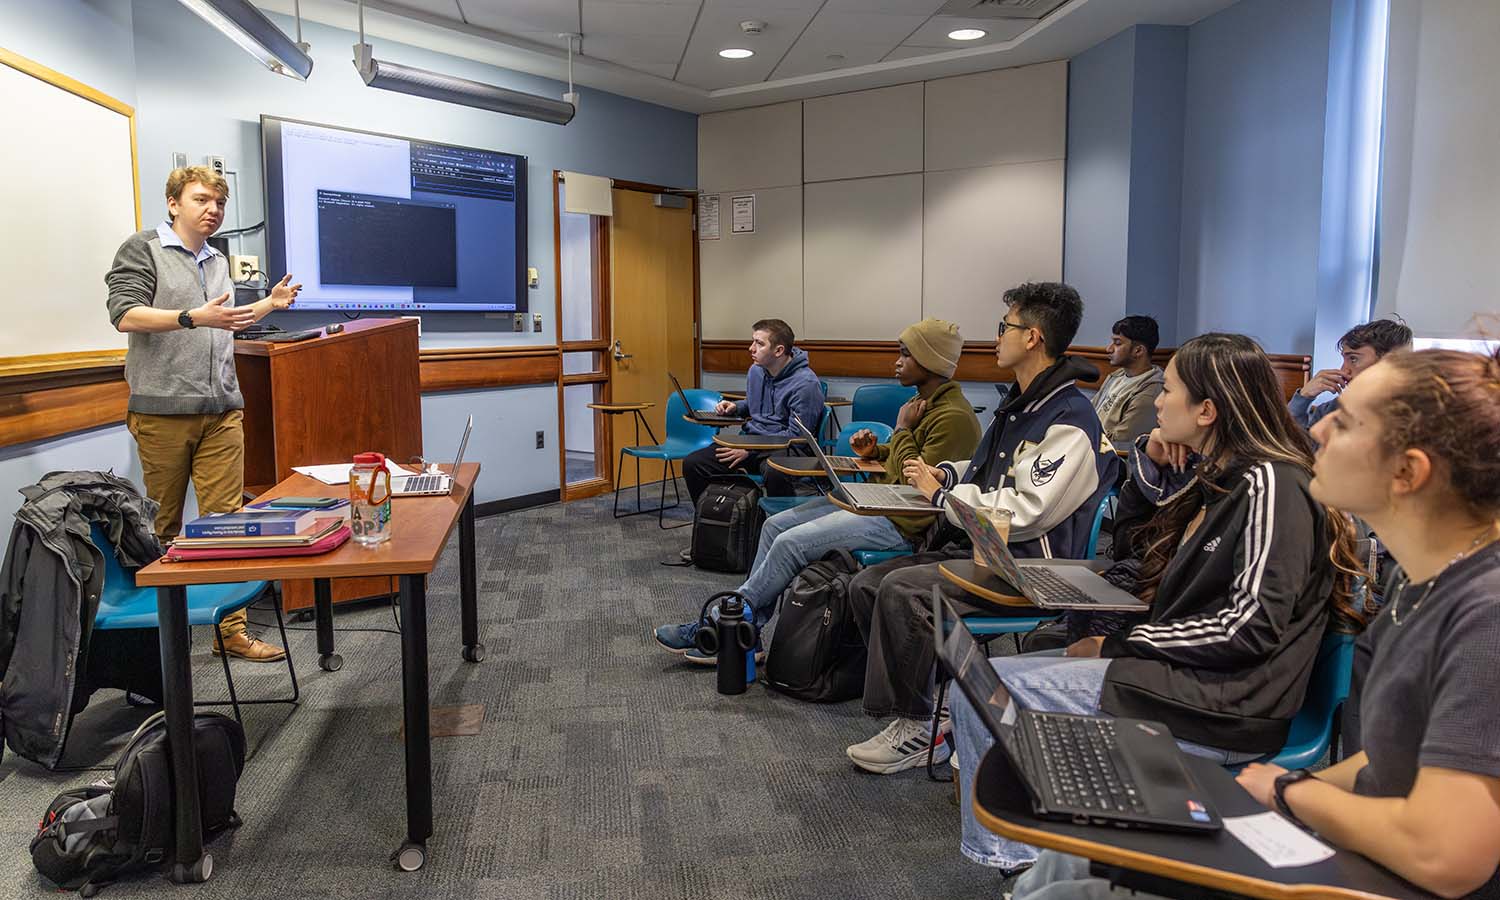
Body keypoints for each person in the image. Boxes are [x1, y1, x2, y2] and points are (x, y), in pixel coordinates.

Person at [947, 332, 1366, 874]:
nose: (1158, 403)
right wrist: (1152, 458)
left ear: (1208, 410)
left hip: (1223, 704)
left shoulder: (1272, 483)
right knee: (979, 680)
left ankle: (1017, 861)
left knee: (989, 691)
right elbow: (1140, 551)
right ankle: (1034, 859)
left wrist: (1119, 645)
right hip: (1185, 677)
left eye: (1167, 392)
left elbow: (1249, 626)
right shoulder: (1221, 476)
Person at [1231, 347, 1500, 900]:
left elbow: (1445, 854)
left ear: (1407, 471)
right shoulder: (1418, 581)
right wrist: (1271, 793)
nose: (1321, 427)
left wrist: (1290, 794)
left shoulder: (1485, 616)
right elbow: (1389, 759)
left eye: (1346, 421)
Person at [845, 282, 1121, 775]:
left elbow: (1024, 511)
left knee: (902, 590)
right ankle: (937, 702)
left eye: (1005, 327)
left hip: (1028, 570)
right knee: (866, 585)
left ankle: (923, 725)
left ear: (1033, 337)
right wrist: (946, 476)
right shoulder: (1024, 403)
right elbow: (988, 469)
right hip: (986, 553)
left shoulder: (1069, 419)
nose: (996, 338)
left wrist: (942, 495)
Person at [653, 319, 981, 662]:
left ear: (930, 362)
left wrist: (899, 432)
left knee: (790, 543)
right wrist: (876, 452)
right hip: (881, 503)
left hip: (905, 524)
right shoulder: (923, 404)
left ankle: (724, 624)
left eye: (905, 355)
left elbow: (921, 482)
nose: (896, 362)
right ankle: (747, 636)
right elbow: (907, 462)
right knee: (774, 525)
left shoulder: (952, 417)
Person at [106, 166, 301, 662]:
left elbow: (225, 321)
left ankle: (230, 632)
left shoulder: (218, 260)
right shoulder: (142, 248)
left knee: (226, 523)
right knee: (163, 526)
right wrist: (192, 316)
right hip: (163, 412)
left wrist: (268, 306)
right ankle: (158, 642)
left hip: (223, 411)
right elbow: (124, 315)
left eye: (218, 202)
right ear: (173, 203)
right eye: (201, 199)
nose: (212, 209)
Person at [680, 318, 825, 507]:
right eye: (753, 341)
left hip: (787, 449)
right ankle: (723, 517)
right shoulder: (756, 371)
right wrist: (736, 407)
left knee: (775, 471)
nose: (751, 348)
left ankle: (776, 526)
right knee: (694, 463)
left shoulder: (806, 384)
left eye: (759, 343)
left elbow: (797, 436)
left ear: (779, 350)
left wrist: (749, 452)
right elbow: (756, 403)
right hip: (751, 442)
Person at [1289, 318, 1412, 430]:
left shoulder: (1413, 417)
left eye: (1353, 359)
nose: (1343, 370)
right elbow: (1297, 449)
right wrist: (1304, 397)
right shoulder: (1334, 408)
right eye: (1344, 359)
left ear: (1389, 362)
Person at [1092, 315, 1164, 446]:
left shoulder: (1150, 391)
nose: (1109, 349)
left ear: (1138, 350)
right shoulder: (1117, 376)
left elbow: (1121, 441)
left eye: (1117, 343)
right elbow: (1090, 411)